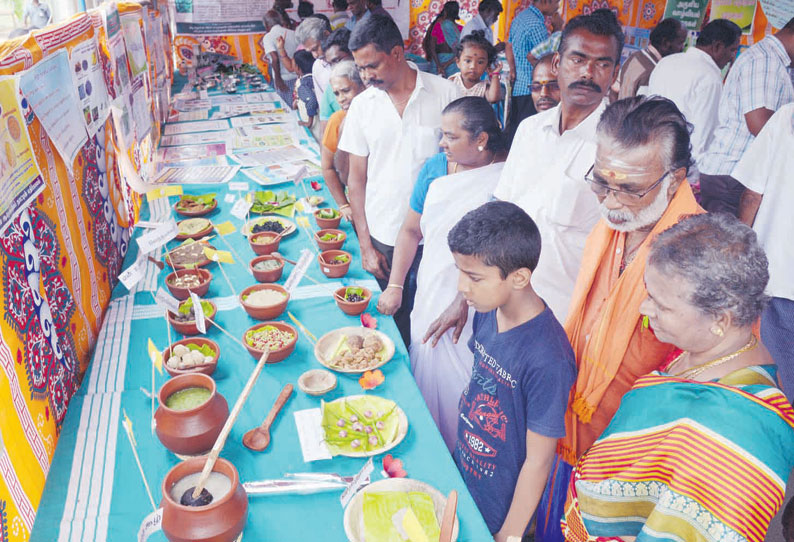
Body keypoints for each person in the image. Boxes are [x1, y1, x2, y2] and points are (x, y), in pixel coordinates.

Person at [561, 212, 794, 542]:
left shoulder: (738, 432)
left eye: (662, 305)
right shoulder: (708, 351)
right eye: (648, 292)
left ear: (720, 318)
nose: (644, 308)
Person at [538, 96, 704, 542]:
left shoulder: (701, 259)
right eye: (602, 182)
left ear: (676, 180)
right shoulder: (614, 224)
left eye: (630, 188)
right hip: (570, 430)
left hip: (632, 462)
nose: (611, 201)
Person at [376, 97, 507, 449]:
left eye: (450, 137)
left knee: (466, 382)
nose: (441, 143)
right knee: (427, 365)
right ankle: (430, 449)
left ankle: (464, 455)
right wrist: (396, 286)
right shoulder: (436, 168)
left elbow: (504, 254)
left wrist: (463, 300)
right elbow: (410, 231)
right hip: (432, 289)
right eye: (441, 135)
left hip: (481, 302)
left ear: (481, 139)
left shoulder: (508, 177)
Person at [448, 201, 577, 541]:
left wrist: (510, 533)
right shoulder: (488, 309)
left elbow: (539, 461)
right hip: (465, 469)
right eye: (460, 272)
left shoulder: (549, 358)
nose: (462, 286)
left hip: (501, 505)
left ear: (519, 277)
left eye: (474, 277)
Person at [338, 14, 459, 344]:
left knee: (431, 329)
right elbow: (356, 180)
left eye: (372, 65)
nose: (365, 76)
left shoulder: (445, 95)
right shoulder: (363, 107)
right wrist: (364, 244)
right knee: (390, 329)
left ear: (397, 52)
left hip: (435, 240)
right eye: (360, 68)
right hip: (383, 238)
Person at [698, 16, 794, 216]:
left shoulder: (775, 62)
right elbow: (759, 123)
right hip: (732, 178)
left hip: (733, 178)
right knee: (724, 246)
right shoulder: (766, 60)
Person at [733, 103, 794, 400]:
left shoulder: (787, 117)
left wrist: (738, 250)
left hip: (782, 274)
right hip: (781, 277)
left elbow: (752, 195)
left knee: (781, 378)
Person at [647, 19, 741, 168]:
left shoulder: (666, 62)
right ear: (717, 47)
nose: (732, 57)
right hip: (679, 168)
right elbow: (700, 144)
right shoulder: (710, 78)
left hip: (649, 155)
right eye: (732, 50)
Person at [504, 0, 558, 142]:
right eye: (557, 2)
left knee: (518, 133)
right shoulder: (536, 24)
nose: (557, 7)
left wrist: (513, 69)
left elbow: (508, 46)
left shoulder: (520, 18)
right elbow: (546, 59)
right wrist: (558, 28)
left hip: (519, 87)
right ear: (547, 2)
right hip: (533, 89)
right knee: (532, 136)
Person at [321, 60, 365, 217]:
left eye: (346, 90)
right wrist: (344, 204)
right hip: (355, 200)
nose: (341, 99)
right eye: (336, 94)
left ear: (363, 86)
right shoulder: (337, 120)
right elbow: (327, 167)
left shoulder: (378, 117)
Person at [611, 17, 686, 100]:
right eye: (680, 43)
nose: (682, 48)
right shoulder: (655, 71)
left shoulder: (634, 57)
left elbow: (614, 91)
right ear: (665, 43)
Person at [448, 33, 502, 102]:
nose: (473, 66)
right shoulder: (453, 81)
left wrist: (495, 76)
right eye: (468, 61)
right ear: (458, 62)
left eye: (480, 62)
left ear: (487, 66)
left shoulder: (484, 87)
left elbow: (494, 98)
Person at [318, 28, 354, 129]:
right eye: (330, 64)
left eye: (337, 60)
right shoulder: (332, 88)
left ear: (353, 53)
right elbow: (324, 132)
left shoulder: (372, 84)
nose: (335, 68)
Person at [262, 10, 298, 106]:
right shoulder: (293, 33)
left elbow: (274, 58)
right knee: (296, 106)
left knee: (286, 108)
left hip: (283, 79)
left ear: (266, 24)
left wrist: (278, 79)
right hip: (297, 77)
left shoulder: (268, 37)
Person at [423, 1, 463, 77]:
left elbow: (432, 48)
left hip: (440, 63)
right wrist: (445, 64)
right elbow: (461, 51)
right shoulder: (460, 29)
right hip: (453, 63)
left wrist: (439, 66)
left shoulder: (438, 26)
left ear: (445, 11)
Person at [293, 50, 320, 136]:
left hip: (312, 124)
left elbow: (311, 100)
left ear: (298, 67)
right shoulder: (315, 78)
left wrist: (309, 122)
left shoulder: (303, 84)